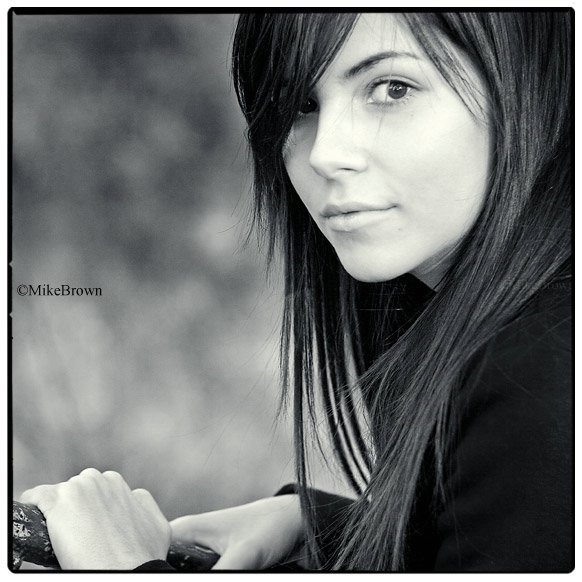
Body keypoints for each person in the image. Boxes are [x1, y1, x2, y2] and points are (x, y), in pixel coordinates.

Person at [20, 11, 572, 572]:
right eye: (302, 105)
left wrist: (120, 567)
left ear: (526, 88)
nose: (324, 153)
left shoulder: (539, 370)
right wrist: (331, 529)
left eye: (392, 88)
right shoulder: (489, 327)